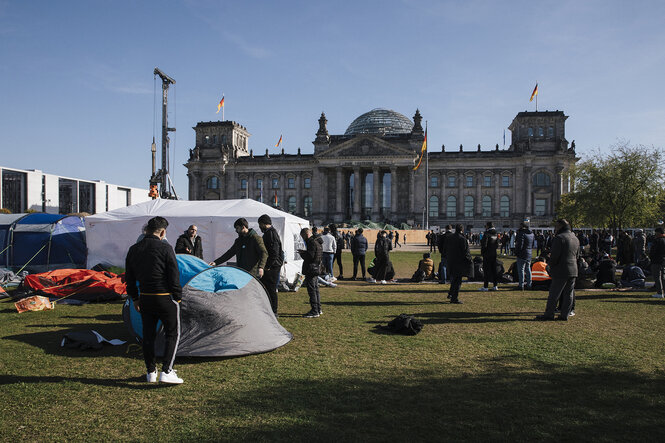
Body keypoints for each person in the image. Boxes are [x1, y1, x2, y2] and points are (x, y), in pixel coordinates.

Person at [125, 216, 183, 384]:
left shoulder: (134, 249)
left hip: (145, 298)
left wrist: (135, 298)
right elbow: (174, 275)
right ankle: (167, 370)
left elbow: (129, 277)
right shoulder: (166, 248)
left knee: (148, 335)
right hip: (165, 297)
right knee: (172, 334)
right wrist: (177, 297)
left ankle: (151, 371)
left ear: (146, 230)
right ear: (163, 232)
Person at [536, 219, 580, 321]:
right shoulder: (575, 238)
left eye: (556, 226)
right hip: (573, 268)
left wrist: (550, 266)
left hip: (561, 269)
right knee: (569, 293)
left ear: (560, 226)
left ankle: (549, 314)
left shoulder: (559, 238)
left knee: (554, 293)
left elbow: (555, 256)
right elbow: (577, 255)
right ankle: (565, 314)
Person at [258, 214, 283, 316]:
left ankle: (274, 310)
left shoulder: (271, 234)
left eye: (260, 224)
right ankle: (270, 309)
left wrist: (267, 266)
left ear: (264, 223)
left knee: (271, 289)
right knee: (267, 288)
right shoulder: (269, 233)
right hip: (272, 265)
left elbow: (274, 253)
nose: (259, 227)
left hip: (272, 266)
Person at [444, 224, 472, 303]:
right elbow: (466, 252)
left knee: (454, 279)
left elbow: (444, 249)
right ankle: (454, 298)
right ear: (462, 230)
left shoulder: (449, 237)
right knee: (458, 281)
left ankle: (450, 293)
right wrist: (469, 260)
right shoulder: (462, 239)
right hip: (459, 263)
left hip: (450, 261)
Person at [299, 227, 323, 317]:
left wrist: (302, 254)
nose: (303, 238)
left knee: (312, 290)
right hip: (316, 267)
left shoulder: (311, 242)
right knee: (315, 289)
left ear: (307, 234)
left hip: (311, 268)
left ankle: (315, 310)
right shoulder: (317, 241)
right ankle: (318, 309)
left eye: (303, 236)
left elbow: (310, 256)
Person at [514, 220, 535, 290]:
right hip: (529, 253)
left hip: (522, 254)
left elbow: (520, 245)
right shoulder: (532, 234)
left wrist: (516, 252)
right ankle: (529, 284)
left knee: (521, 270)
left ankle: (521, 285)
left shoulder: (522, 234)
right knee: (528, 269)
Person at [479, 221, 499, 291]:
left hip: (487, 254)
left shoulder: (486, 234)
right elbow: (497, 245)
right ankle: (495, 285)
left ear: (488, 226)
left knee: (486, 270)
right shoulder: (496, 234)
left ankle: (485, 286)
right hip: (494, 253)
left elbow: (484, 245)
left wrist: (483, 252)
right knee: (494, 270)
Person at [649, 226, 665, 298]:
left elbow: (654, 251)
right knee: (662, 277)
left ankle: (659, 292)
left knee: (657, 277)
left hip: (656, 260)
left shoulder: (658, 241)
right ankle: (663, 291)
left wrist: (651, 257)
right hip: (662, 260)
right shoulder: (663, 240)